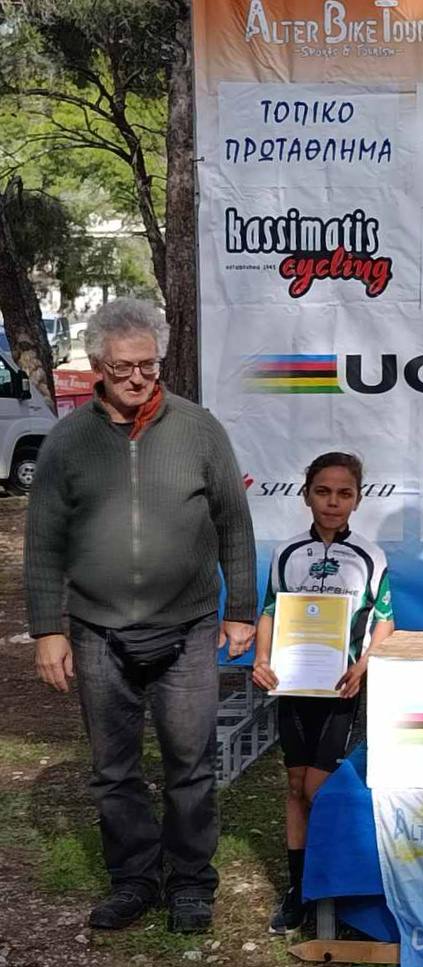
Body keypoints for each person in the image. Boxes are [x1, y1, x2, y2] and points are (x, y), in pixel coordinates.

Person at [25, 299, 257, 933]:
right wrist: (47, 629)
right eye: (123, 367)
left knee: (191, 764)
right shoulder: (67, 440)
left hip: (188, 627)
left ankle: (191, 882)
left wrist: (241, 609)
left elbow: (234, 522)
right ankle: (133, 880)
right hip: (97, 630)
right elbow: (43, 540)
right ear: (97, 366)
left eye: (148, 366)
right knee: (113, 771)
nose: (138, 378)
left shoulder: (199, 428)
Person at [250, 452, 394, 934]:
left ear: (358, 499)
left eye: (344, 493)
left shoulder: (371, 556)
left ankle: (334, 888)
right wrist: (261, 659)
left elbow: (385, 621)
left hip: (340, 690)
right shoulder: (287, 552)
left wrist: (363, 666)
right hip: (293, 687)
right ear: (306, 495)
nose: (333, 502)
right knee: (295, 788)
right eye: (323, 492)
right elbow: (270, 609)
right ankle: (298, 891)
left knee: (321, 791)